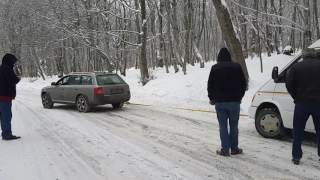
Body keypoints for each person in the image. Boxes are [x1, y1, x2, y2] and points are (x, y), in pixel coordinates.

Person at [207, 48, 247, 156]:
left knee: (223, 126)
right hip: (235, 102)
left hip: (220, 103)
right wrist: (239, 97)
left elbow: (210, 85)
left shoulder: (215, 68)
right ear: (229, 57)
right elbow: (244, 84)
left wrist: (211, 98)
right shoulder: (237, 67)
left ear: (219, 58)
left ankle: (225, 150)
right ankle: (234, 148)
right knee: (234, 126)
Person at [286, 48, 320, 165]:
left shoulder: (296, 67)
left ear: (304, 56)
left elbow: (289, 84)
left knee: (298, 131)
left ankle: (296, 157)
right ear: (315, 55)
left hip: (302, 103)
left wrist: (296, 96)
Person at [0, 53, 21, 140]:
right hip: (5, 97)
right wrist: (18, 76)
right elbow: (14, 80)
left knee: (2, 115)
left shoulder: (1, 68)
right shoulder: (7, 69)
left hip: (2, 96)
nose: (14, 63)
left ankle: (5, 133)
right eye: (13, 61)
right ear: (9, 60)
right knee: (6, 116)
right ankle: (7, 134)